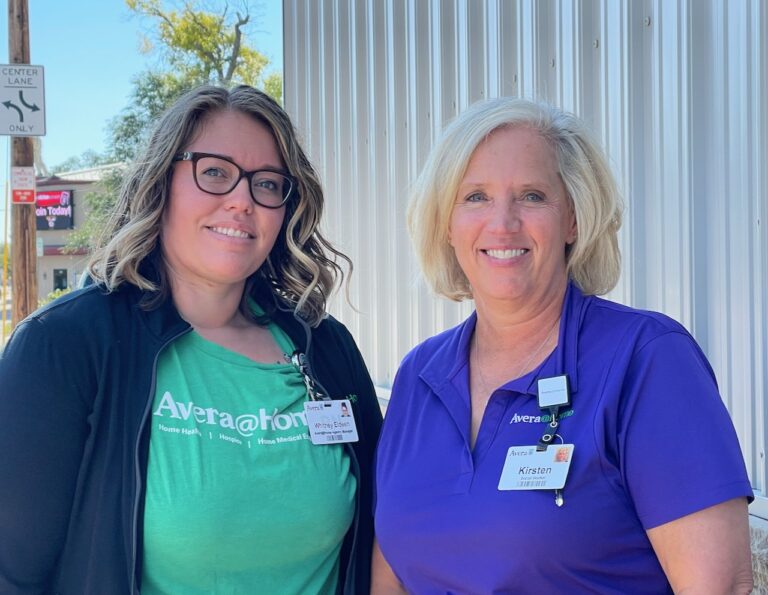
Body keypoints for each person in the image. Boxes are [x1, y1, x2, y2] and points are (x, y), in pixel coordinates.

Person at [0, 85, 382, 594]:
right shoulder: (66, 345)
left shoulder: (327, 349)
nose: (242, 201)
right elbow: (14, 573)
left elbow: (382, 536)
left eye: (266, 184)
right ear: (161, 182)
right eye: (215, 173)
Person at [372, 97, 754, 594]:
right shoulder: (420, 376)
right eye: (475, 197)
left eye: (532, 196)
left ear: (573, 219)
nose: (503, 223)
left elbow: (719, 587)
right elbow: (390, 577)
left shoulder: (646, 359)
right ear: (446, 224)